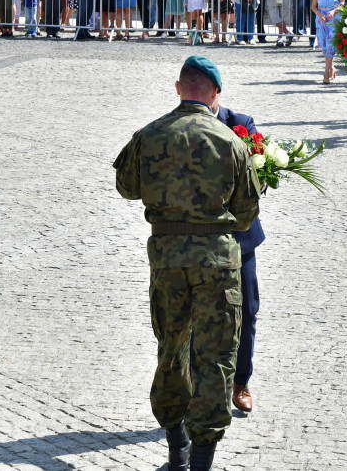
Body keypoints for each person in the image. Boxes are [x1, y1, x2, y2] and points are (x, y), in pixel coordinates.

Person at [113, 55, 260, 471]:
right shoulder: (231, 141)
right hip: (217, 265)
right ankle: (201, 459)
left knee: (171, 349)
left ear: (179, 88)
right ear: (214, 93)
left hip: (167, 262)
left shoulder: (149, 134)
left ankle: (175, 441)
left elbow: (126, 188)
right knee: (215, 357)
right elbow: (247, 210)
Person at [212, 101, 267, 416]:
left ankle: (241, 382)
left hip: (240, 236)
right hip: (199, 239)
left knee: (247, 310)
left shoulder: (241, 123)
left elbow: (260, 178)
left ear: (216, 93)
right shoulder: (183, 126)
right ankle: (201, 386)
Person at [312, 0, 344, 83]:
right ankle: (331, 67)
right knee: (324, 45)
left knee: (331, 44)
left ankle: (326, 71)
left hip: (333, 18)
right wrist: (319, 14)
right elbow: (314, 6)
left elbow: (342, 2)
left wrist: (334, 11)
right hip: (321, 19)